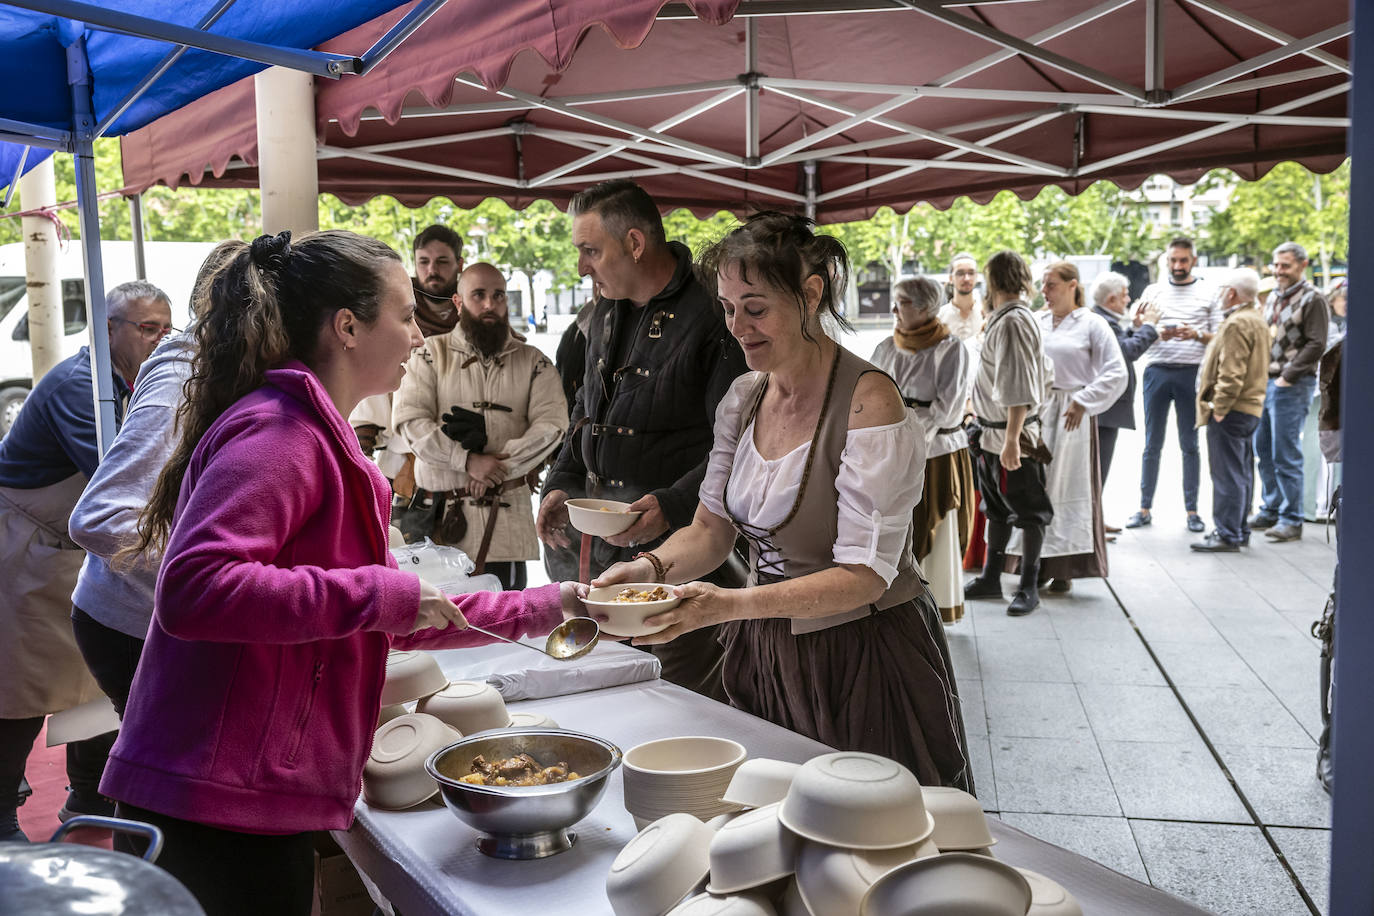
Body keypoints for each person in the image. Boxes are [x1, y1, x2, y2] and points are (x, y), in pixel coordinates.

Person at [98, 231, 582, 916]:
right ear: (348, 327)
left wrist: (558, 604)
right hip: (216, 804)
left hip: (254, 798)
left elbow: (391, 615)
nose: (418, 336)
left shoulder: (319, 437)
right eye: (405, 314)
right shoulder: (278, 434)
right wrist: (382, 595)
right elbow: (196, 588)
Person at [595, 212, 970, 787]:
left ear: (810, 294)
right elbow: (710, 531)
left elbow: (866, 575)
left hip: (861, 654)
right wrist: (647, 571)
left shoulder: (869, 403)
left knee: (864, 833)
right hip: (765, 647)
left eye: (756, 307)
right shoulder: (744, 397)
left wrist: (724, 606)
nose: (738, 326)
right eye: (726, 307)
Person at [537, 179, 746, 699]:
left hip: (687, 551)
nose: (581, 267)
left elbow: (738, 440)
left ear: (634, 243)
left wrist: (673, 503)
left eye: (590, 251)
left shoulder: (714, 311)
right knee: (614, 689)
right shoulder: (603, 309)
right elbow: (585, 409)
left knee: (684, 694)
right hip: (604, 553)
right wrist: (562, 480)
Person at [0, 280, 172, 840]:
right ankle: (1, 819)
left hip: (74, 556)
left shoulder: (130, 383)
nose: (159, 339)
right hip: (27, 552)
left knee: (92, 692)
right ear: (107, 328)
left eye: (166, 329)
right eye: (146, 328)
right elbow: (118, 481)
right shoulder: (82, 386)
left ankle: (87, 804)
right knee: (17, 697)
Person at [68, 245, 244, 736]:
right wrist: (214, 574)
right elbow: (99, 517)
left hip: (159, 616)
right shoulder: (183, 375)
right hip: (130, 621)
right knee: (153, 776)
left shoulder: (222, 371)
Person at [392, 263, 569, 589]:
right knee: (439, 626)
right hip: (441, 523)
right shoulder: (429, 355)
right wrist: (467, 462)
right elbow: (410, 421)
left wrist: (498, 467)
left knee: (506, 623)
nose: (490, 304)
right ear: (459, 302)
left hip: (506, 525)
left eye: (498, 295)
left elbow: (553, 424)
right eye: (479, 295)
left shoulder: (534, 361)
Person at [1007, 263, 1125, 593]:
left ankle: (1065, 566)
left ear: (1073, 285)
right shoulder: (1037, 320)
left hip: (1072, 414)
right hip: (1037, 409)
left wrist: (1084, 400)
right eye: (1043, 284)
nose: (1044, 290)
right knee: (1035, 487)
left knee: (1068, 488)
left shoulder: (1092, 323)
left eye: (1052, 284)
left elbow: (1116, 371)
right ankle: (1034, 564)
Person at [870, 276, 974, 624]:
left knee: (932, 528)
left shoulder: (951, 349)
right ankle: (896, 605)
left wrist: (902, 429)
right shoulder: (886, 347)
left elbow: (947, 410)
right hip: (891, 453)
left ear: (926, 307)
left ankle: (934, 605)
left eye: (902, 302)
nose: (893, 309)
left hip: (936, 454)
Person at [963, 251, 1054, 617]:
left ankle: (1028, 586)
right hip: (992, 434)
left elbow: (1019, 387)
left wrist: (1013, 440)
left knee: (1029, 512)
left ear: (994, 281)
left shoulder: (1013, 322)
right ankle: (990, 577)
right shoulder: (1005, 319)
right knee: (996, 508)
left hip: (1008, 437)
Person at [350, 224, 463, 499]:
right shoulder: (392, 311)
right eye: (424, 261)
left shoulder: (473, 313)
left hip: (465, 456)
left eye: (442, 261)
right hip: (404, 458)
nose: (431, 269)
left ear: (460, 263)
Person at [1125, 237, 1219, 534]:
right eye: (1173, 261)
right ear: (1167, 261)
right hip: (1156, 371)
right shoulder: (1153, 291)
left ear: (1193, 260)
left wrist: (1196, 334)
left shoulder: (1208, 292)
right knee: (1152, 443)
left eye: (1183, 260)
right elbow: (1137, 326)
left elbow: (1219, 337)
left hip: (1192, 372)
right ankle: (1143, 507)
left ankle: (1192, 511)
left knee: (1189, 445)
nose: (1178, 266)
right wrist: (1154, 332)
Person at [1249, 241, 1329, 542]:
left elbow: (1317, 344)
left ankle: (1291, 519)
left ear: (1302, 265)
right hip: (1266, 382)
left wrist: (1287, 376)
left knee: (1285, 453)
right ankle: (1270, 508)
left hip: (1291, 384)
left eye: (1286, 265)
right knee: (1264, 450)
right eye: (1277, 265)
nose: (1279, 271)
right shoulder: (1274, 297)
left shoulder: (1313, 298)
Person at [1191, 269, 1269, 552]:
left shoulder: (1237, 323)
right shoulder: (1256, 319)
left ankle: (1227, 533)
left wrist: (1220, 408)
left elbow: (1231, 372)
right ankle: (1237, 529)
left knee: (1228, 473)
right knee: (1241, 471)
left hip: (1234, 408)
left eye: (1223, 289)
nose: (1220, 294)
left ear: (1232, 293)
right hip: (1249, 407)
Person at [1089, 271, 1160, 493]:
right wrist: (1149, 326)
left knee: (1098, 469)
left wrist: (1136, 328)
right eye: (1125, 295)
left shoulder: (1102, 320)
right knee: (1097, 469)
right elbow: (1125, 352)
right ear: (1111, 299)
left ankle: (1096, 517)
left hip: (1103, 409)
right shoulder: (1103, 322)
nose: (1128, 300)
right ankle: (1094, 521)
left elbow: (1118, 344)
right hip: (1104, 410)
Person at [938, 252, 984, 342]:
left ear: (977, 276)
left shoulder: (986, 316)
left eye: (971, 273)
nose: (966, 278)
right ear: (950, 278)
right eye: (960, 273)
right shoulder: (939, 318)